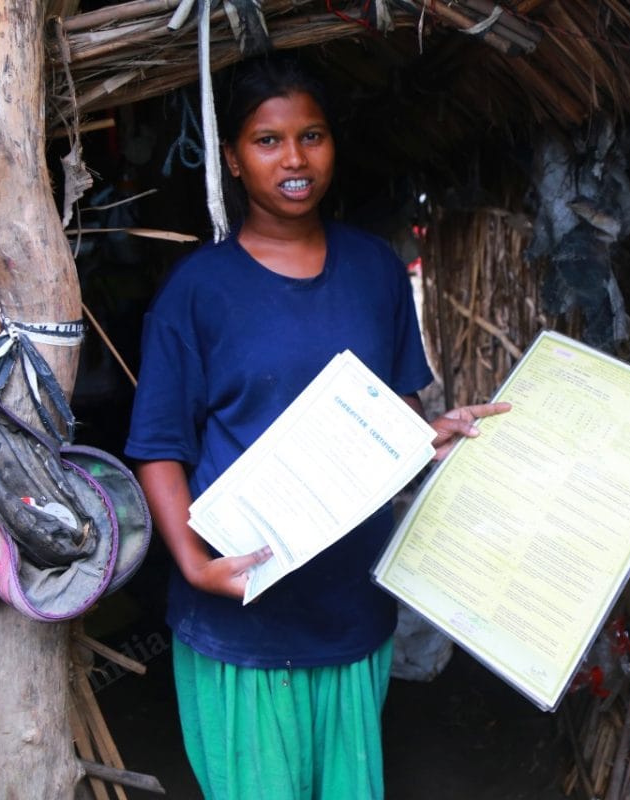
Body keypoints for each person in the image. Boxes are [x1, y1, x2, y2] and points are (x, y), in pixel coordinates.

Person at [125, 53, 508, 800]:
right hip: (241, 612)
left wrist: (435, 433)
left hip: (350, 607)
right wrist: (194, 564)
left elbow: (391, 419)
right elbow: (159, 448)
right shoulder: (198, 292)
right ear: (233, 159)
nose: (294, 158)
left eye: (313, 135)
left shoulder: (374, 271)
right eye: (267, 141)